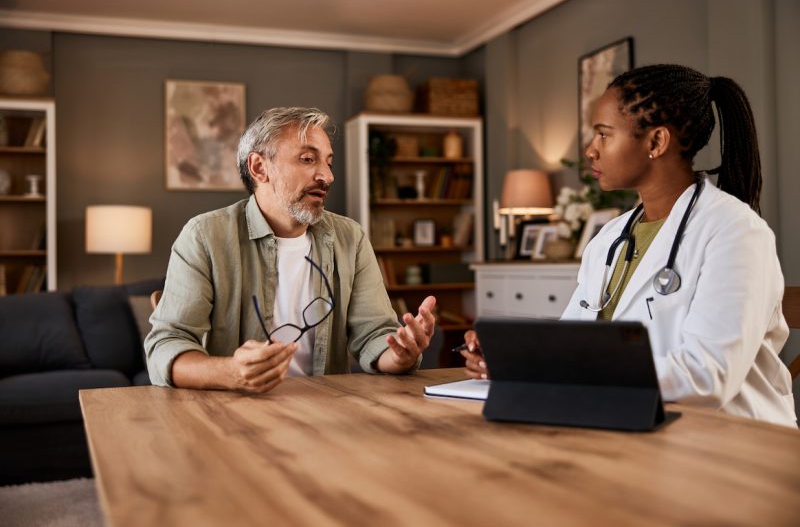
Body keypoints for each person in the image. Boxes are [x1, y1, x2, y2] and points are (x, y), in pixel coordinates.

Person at [461, 64, 796, 427]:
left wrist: (567, 367)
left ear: (656, 142)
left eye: (604, 135)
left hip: (729, 444)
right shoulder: (609, 239)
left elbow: (706, 376)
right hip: (626, 429)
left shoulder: (736, 232)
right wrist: (514, 359)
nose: (590, 151)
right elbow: (571, 340)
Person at [145, 107, 436, 392]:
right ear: (259, 167)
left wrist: (399, 354)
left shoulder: (351, 238)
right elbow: (165, 347)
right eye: (308, 159)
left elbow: (375, 336)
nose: (327, 176)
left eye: (328, 162)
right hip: (232, 416)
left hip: (329, 412)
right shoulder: (205, 236)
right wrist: (231, 372)